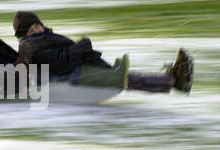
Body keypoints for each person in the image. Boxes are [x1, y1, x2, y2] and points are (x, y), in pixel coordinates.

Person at [13, 11, 194, 93]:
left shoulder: (42, 39)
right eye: (30, 30)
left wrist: (81, 49)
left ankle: (170, 80)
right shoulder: (31, 47)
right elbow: (61, 63)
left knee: (124, 77)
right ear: (24, 36)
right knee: (122, 78)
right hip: (70, 76)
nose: (36, 31)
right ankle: (173, 81)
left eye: (37, 26)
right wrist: (81, 47)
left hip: (77, 69)